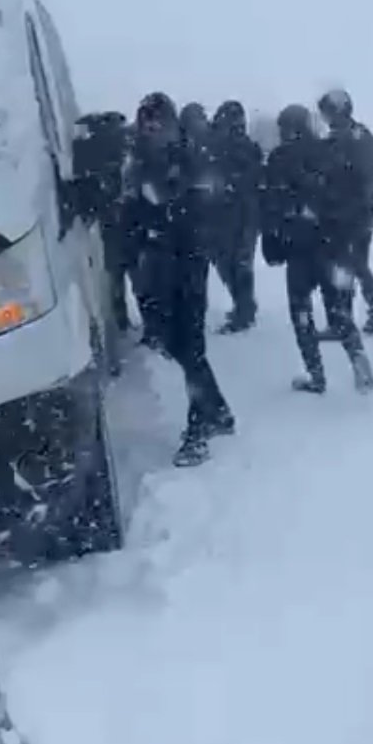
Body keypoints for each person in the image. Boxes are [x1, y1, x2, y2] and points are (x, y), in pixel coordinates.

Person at [122, 92, 235, 466]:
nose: (152, 128)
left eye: (159, 121)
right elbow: (130, 211)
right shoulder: (138, 161)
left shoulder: (189, 157)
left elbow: (208, 207)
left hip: (188, 263)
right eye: (146, 121)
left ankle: (199, 431)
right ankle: (218, 412)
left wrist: (172, 213)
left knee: (191, 347)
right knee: (177, 345)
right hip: (155, 268)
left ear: (172, 124)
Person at [260, 104, 373, 395]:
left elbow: (270, 207)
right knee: (338, 309)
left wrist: (273, 245)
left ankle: (316, 375)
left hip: (298, 249)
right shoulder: (331, 152)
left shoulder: (279, 159)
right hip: (332, 246)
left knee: (301, 311)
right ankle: (359, 361)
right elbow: (353, 196)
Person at [315, 89, 373, 335]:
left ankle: (344, 320)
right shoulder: (363, 137)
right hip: (360, 214)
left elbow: (338, 178)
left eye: (327, 112)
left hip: (347, 215)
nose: (325, 118)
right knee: (358, 264)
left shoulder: (346, 141)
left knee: (345, 266)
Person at [73, 111, 135, 337]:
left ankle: (120, 321)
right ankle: (126, 321)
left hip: (110, 222)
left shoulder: (88, 150)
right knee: (133, 275)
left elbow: (86, 188)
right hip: (126, 222)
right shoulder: (121, 148)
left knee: (115, 276)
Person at [208, 100, 264, 333]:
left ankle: (244, 311)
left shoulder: (236, 147)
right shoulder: (244, 146)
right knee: (236, 264)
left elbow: (244, 180)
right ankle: (244, 307)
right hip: (239, 214)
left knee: (232, 264)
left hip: (236, 214)